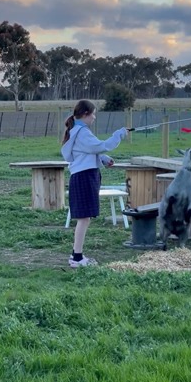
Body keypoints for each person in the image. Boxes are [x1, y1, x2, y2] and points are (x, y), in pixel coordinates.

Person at [61, 99, 129, 268]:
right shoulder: (82, 132)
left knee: (85, 219)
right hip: (84, 177)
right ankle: (77, 258)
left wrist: (102, 159)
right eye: (93, 114)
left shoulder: (78, 131)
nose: (94, 118)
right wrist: (118, 135)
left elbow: (87, 152)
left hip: (85, 175)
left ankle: (76, 255)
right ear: (85, 114)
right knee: (84, 219)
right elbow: (102, 145)